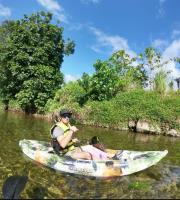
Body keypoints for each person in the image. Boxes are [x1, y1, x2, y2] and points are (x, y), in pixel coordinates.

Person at [50, 109, 115, 160]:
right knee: (87, 155)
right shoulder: (57, 129)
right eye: (64, 116)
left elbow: (67, 138)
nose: (67, 118)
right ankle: (102, 163)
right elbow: (63, 145)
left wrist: (73, 141)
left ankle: (110, 156)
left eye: (68, 116)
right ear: (60, 117)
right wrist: (71, 131)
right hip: (64, 153)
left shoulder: (67, 125)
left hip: (71, 149)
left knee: (90, 147)